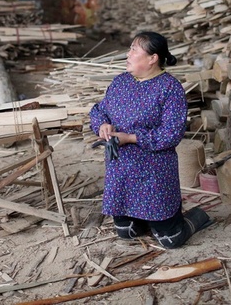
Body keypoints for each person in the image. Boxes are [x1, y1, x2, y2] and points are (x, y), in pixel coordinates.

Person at [89, 31, 211, 249]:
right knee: (127, 233)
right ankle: (143, 219)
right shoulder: (121, 82)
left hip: (153, 173)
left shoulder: (169, 88)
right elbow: (99, 110)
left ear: (152, 58)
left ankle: (197, 217)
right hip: (121, 173)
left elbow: (171, 134)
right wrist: (102, 125)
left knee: (169, 240)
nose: (128, 54)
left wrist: (131, 138)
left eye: (134, 49)